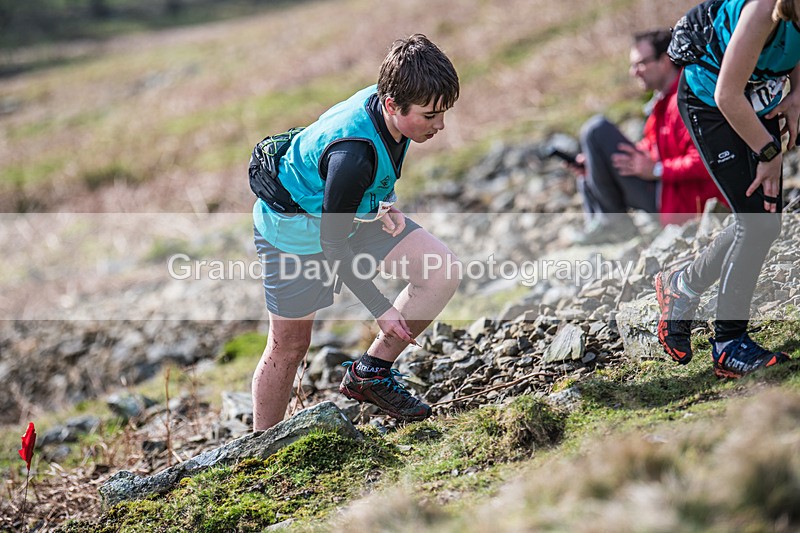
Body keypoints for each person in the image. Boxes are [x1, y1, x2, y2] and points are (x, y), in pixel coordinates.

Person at [250, 34, 461, 430]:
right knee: (289, 347)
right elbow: (333, 243)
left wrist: (383, 202)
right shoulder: (352, 156)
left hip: (346, 214)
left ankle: (371, 373)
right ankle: (261, 448)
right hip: (293, 234)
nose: (440, 125)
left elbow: (373, 171)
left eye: (443, 112)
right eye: (431, 115)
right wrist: (381, 308)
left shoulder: (397, 101)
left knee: (441, 270)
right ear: (392, 105)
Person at [656, 0, 799, 377]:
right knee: (756, 223)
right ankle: (728, 344)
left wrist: (797, 93)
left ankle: (682, 285)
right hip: (712, 103)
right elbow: (726, 96)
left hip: (757, 96)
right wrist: (768, 152)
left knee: (763, 222)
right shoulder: (762, 10)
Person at [570, 29, 725, 244]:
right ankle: (603, 226)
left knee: (596, 130)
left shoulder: (686, 100)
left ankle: (614, 227)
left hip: (682, 203)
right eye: (633, 65)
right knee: (589, 169)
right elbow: (653, 147)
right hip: (667, 193)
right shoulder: (663, 101)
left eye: (641, 63)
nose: (634, 72)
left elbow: (706, 161)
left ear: (665, 61)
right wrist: (597, 163)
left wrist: (657, 170)